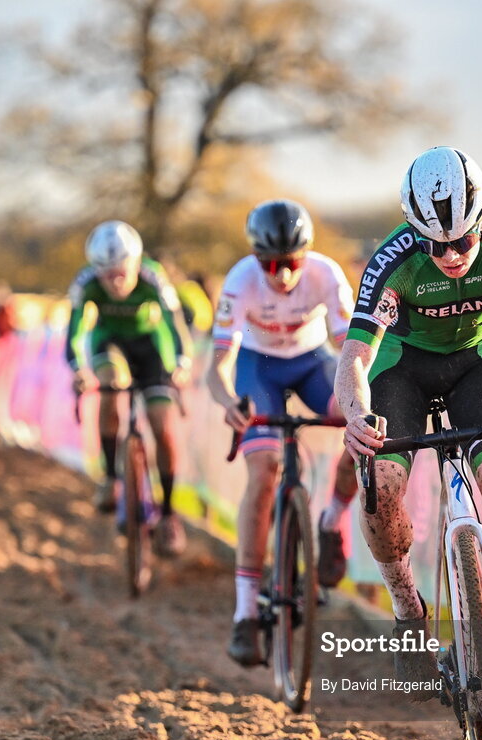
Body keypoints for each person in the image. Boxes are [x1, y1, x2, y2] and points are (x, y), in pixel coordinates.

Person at [334, 146, 482, 727]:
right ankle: (409, 615)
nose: (453, 254)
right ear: (416, 234)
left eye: (464, 240)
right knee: (381, 483)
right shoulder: (393, 261)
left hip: (476, 366)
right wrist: (356, 413)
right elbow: (356, 357)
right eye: (436, 244)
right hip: (400, 372)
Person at [207, 199, 358, 667]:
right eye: (270, 264)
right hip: (260, 369)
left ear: (305, 255)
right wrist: (229, 402)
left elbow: (351, 347)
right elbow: (219, 365)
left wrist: (362, 402)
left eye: (291, 262)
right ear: (255, 258)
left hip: (313, 363)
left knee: (360, 420)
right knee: (265, 471)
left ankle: (331, 521)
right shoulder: (239, 282)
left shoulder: (327, 274)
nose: (283, 274)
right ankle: (246, 613)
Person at [65, 220, 191, 557]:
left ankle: (168, 514)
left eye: (122, 272)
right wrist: (77, 369)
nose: (116, 281)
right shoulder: (85, 282)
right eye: (108, 275)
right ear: (96, 271)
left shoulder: (153, 276)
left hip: (150, 347)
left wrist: (182, 361)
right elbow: (74, 331)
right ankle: (111, 476)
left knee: (162, 427)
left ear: (135, 264)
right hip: (111, 345)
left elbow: (174, 323)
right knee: (112, 384)